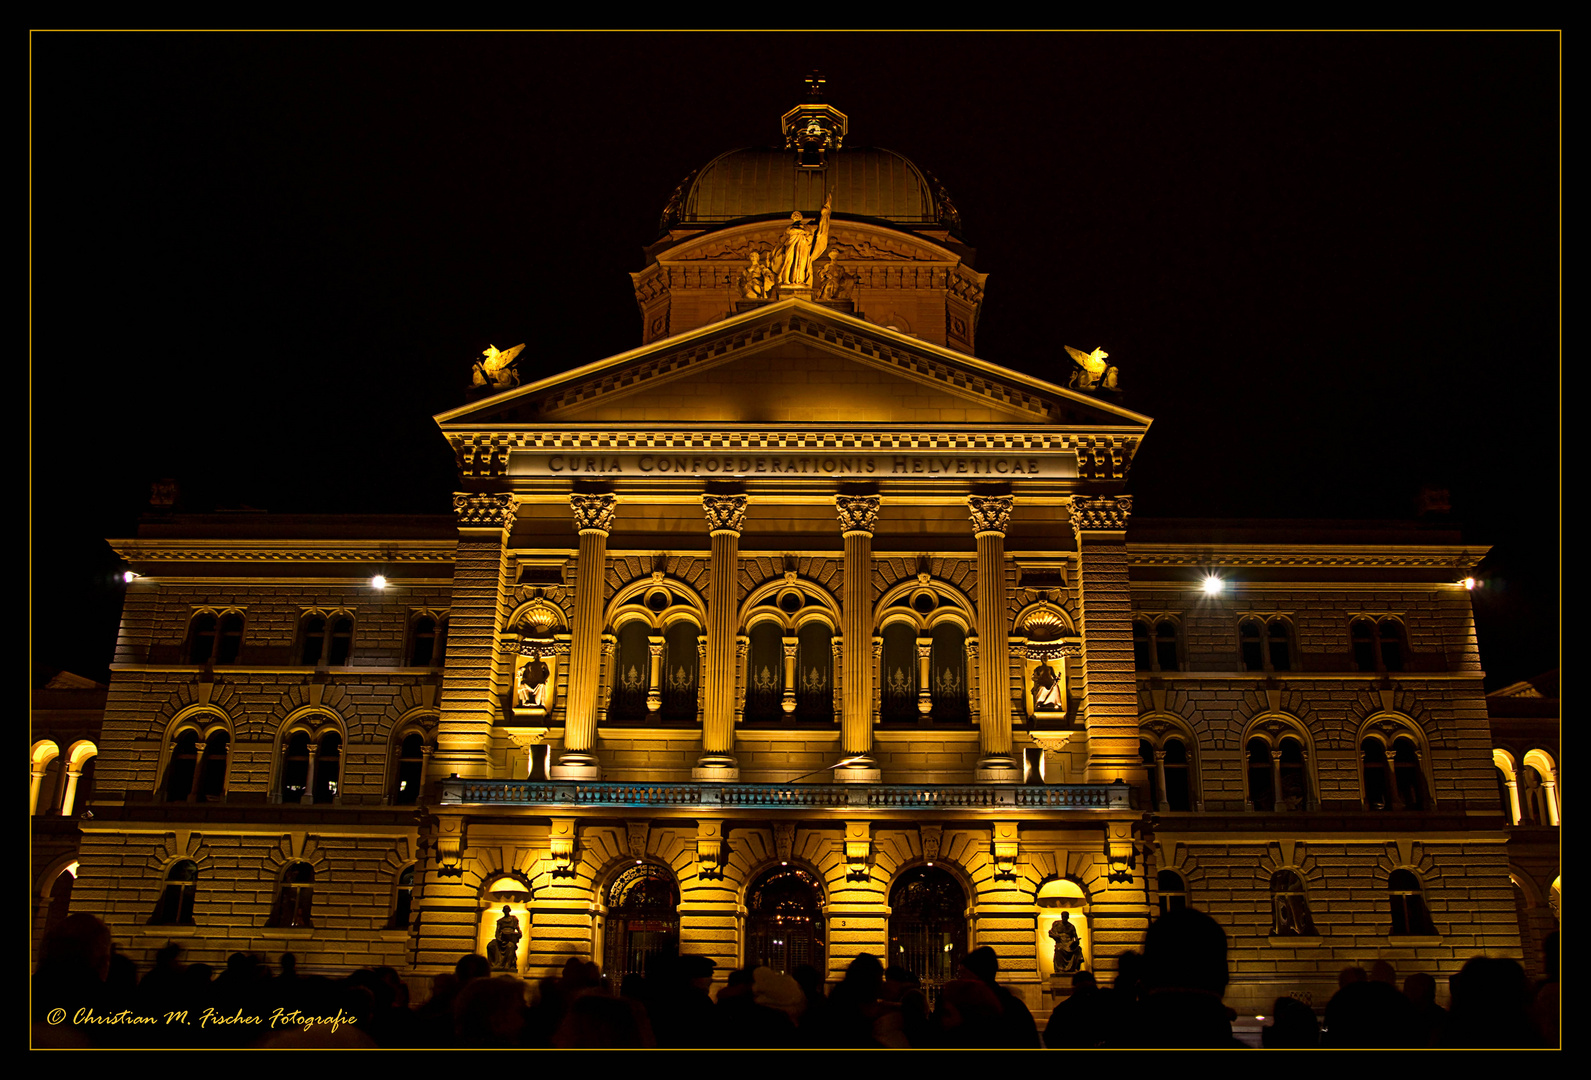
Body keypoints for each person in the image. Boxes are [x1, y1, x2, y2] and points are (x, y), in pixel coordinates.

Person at [775, 195, 832, 288]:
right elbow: (790, 231)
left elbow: (820, 228)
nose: (796, 216)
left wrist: (824, 214)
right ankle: (786, 280)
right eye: (795, 215)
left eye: (798, 215)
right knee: (789, 263)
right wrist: (803, 232)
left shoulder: (807, 228)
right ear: (792, 218)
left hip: (803, 249)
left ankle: (800, 280)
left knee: (802, 264)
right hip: (792, 248)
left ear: (801, 217)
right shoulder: (790, 228)